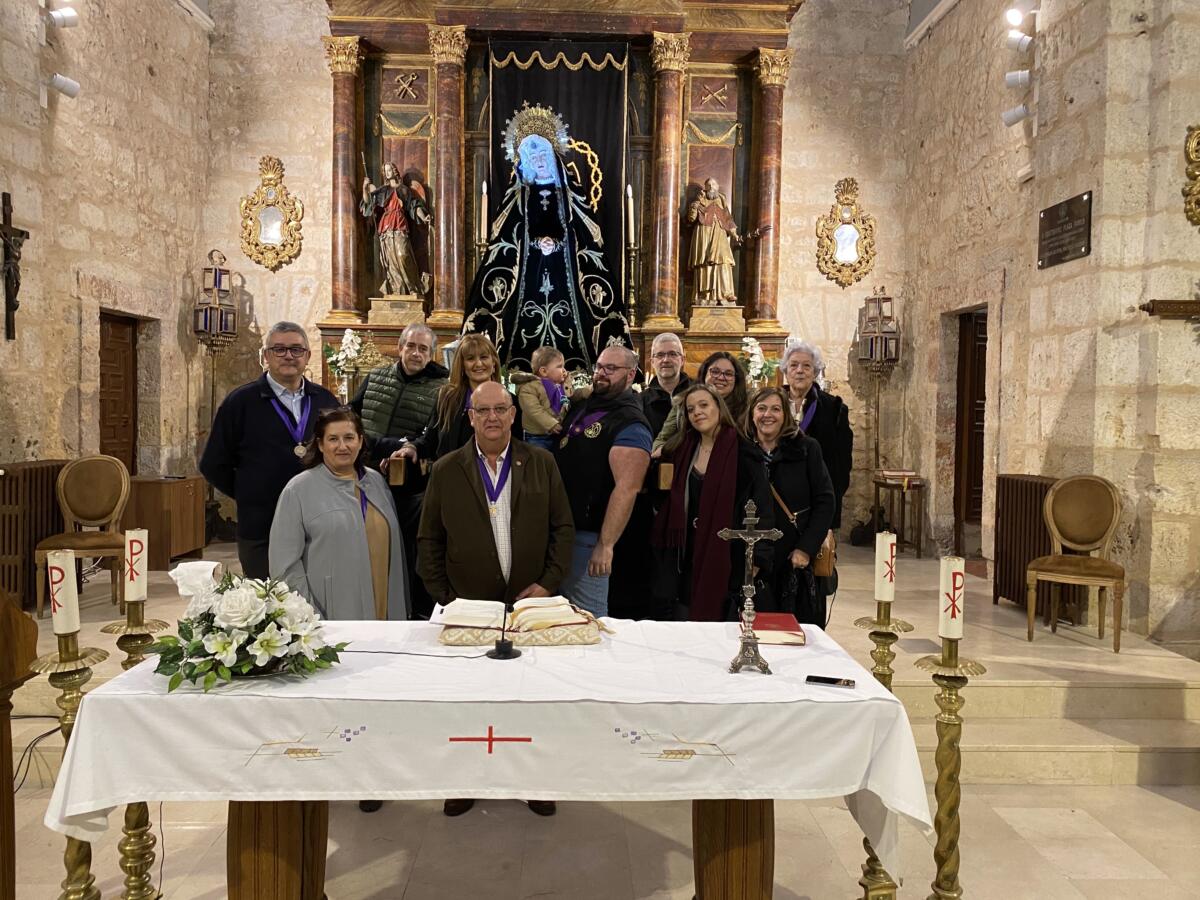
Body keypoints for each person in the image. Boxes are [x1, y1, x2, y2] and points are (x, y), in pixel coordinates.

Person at [417, 381, 572, 819]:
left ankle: (533, 781)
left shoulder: (540, 463)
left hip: (528, 606)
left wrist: (547, 584)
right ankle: (463, 780)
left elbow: (562, 528)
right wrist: (447, 598)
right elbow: (429, 539)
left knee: (531, 697)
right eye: (482, 410)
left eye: (500, 409)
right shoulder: (447, 469)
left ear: (512, 414)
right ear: (470, 417)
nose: (491, 417)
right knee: (467, 699)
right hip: (469, 607)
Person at [269, 406, 409, 817]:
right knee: (342, 697)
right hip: (332, 614)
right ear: (320, 444)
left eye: (349, 437)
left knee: (380, 693)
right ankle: (340, 770)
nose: (342, 446)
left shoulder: (376, 482)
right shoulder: (299, 490)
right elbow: (284, 563)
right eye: (333, 439)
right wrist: (309, 616)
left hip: (384, 608)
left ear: (361, 441)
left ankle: (376, 770)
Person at [461, 105, 631, 371]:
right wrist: (533, 244)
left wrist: (560, 243)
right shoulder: (518, 194)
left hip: (566, 274)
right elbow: (506, 235)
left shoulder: (571, 194)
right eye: (532, 155)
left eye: (543, 154)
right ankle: (514, 368)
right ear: (524, 160)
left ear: (552, 155)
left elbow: (586, 234)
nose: (539, 160)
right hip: (526, 274)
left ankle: (576, 368)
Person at [200, 322, 340, 579]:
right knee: (267, 597)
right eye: (279, 349)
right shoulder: (240, 402)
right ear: (266, 355)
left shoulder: (325, 401)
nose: (288, 356)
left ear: (308, 355)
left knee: (316, 597)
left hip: (316, 523)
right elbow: (213, 464)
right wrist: (249, 492)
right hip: (261, 525)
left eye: (296, 349)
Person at [651, 384, 773, 621]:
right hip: (684, 553)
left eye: (704, 405)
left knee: (717, 623)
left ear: (719, 407)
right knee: (683, 618)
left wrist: (758, 559)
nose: (697, 412)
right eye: (690, 409)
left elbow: (762, 506)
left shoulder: (744, 452)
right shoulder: (681, 448)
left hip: (726, 555)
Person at [351, 323, 448, 619]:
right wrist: (387, 445)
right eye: (411, 346)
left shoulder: (441, 388)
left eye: (423, 349)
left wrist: (408, 448)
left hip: (409, 485)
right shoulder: (375, 377)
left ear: (431, 354)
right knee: (367, 547)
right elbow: (351, 419)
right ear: (400, 347)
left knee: (406, 550)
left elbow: (432, 437)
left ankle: (409, 610)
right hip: (365, 476)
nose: (416, 353)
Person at [555, 345, 651, 618]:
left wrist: (605, 545)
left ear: (630, 374)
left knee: (589, 620)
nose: (601, 373)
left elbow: (627, 488)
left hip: (590, 539)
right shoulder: (586, 405)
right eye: (598, 367)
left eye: (611, 368)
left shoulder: (631, 422)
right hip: (564, 532)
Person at [746, 386, 836, 625]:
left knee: (798, 630)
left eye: (776, 409)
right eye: (761, 408)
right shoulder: (743, 452)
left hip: (796, 558)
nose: (768, 415)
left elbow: (825, 500)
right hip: (756, 561)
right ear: (752, 414)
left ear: (785, 415)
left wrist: (806, 548)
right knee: (756, 629)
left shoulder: (806, 448)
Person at [783, 340, 853, 618]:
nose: (799, 371)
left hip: (815, 510)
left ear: (816, 371)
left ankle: (811, 631)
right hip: (779, 509)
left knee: (812, 585)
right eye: (794, 365)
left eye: (806, 366)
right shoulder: (771, 404)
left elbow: (841, 467)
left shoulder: (833, 408)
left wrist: (829, 520)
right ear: (785, 370)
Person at [391, 333, 521, 466]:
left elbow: (518, 449)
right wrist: (412, 448)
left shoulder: (511, 401)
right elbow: (430, 440)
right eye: (470, 358)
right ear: (462, 365)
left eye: (484, 357)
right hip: (450, 473)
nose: (478, 364)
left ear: (493, 362)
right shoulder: (447, 399)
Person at [652, 351, 748, 456]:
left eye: (728, 374)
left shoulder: (747, 407)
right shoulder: (683, 402)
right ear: (704, 373)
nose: (721, 378)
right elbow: (661, 440)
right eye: (715, 371)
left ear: (736, 380)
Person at [361, 162, 432, 297]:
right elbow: (368, 203)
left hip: (399, 224)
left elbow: (414, 205)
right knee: (390, 261)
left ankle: (413, 287)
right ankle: (397, 289)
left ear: (394, 171)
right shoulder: (382, 191)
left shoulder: (404, 190)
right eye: (385, 171)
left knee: (403, 255)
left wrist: (423, 216)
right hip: (386, 228)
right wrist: (365, 188)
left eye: (389, 170)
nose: (388, 173)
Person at [686, 178, 740, 306]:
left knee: (724, 261)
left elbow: (728, 219)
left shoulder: (721, 200)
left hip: (720, 233)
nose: (711, 187)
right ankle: (705, 296)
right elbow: (691, 218)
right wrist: (695, 205)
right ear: (705, 188)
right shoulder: (699, 201)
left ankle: (726, 294)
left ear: (718, 186)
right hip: (704, 234)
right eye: (708, 185)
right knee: (705, 263)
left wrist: (734, 234)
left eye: (714, 184)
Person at [512, 345, 570, 451]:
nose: (564, 370)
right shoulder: (529, 388)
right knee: (538, 459)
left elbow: (572, 396)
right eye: (559, 366)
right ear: (544, 371)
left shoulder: (560, 385)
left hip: (557, 432)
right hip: (537, 437)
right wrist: (551, 424)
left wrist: (586, 391)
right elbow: (534, 410)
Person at [641, 332, 691, 438]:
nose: (666, 360)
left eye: (672, 354)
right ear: (652, 362)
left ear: (682, 360)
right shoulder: (641, 401)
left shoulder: (698, 392)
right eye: (660, 355)